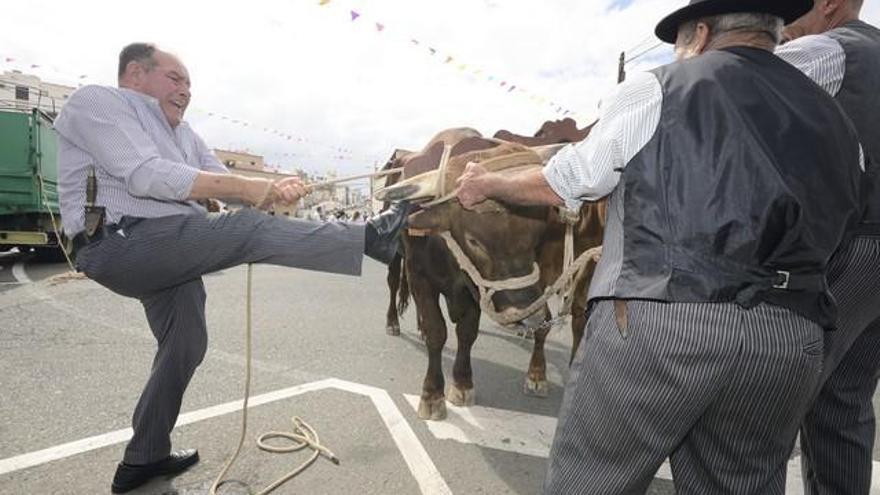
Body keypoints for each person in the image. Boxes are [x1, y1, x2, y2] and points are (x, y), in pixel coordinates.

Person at [455, 0, 864, 492]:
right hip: (787, 342)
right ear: (773, 34)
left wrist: (488, 184)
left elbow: (572, 178)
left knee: (592, 481)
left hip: (661, 320)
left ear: (698, 35)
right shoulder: (837, 118)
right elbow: (845, 221)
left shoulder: (659, 88)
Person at [53, 42, 405, 493]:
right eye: (175, 79)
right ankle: (371, 238)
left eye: (190, 85)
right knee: (249, 229)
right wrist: (250, 188)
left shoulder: (185, 135)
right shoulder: (99, 102)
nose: (185, 91)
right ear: (136, 74)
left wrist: (275, 189)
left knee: (186, 344)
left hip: (170, 249)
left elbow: (228, 183)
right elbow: (144, 174)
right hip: (119, 242)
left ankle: (143, 457)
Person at [775, 1, 880, 493]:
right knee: (843, 401)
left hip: (851, 245)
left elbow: (727, 97)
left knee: (772, 396)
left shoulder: (825, 49)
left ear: (829, 5)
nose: (779, 20)